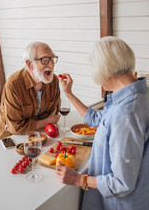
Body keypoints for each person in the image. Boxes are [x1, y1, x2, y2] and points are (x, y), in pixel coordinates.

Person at [56, 36, 149, 210]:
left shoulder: (126, 114)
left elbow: (122, 182)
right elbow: (99, 120)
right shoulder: (138, 94)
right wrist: (68, 94)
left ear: (106, 70)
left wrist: (78, 179)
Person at [0, 42, 61, 140]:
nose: (51, 65)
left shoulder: (53, 81)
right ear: (30, 64)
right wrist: (47, 120)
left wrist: (23, 126)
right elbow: (16, 129)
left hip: (40, 134)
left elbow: (54, 114)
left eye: (52, 59)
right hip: (11, 138)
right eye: (45, 60)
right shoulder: (13, 85)